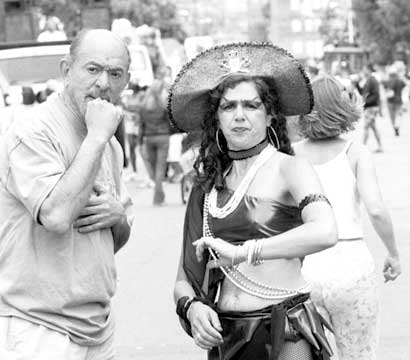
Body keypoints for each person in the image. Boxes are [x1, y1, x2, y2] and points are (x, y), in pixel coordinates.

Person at [171, 43, 338, 360]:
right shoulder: (207, 185)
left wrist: (244, 252)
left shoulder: (291, 168)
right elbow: (184, 278)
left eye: (251, 106)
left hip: (286, 329)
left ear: (270, 114)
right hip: (226, 334)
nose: (239, 116)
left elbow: (326, 230)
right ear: (216, 118)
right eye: (228, 107)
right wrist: (191, 307)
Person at [0, 29, 133, 359]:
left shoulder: (109, 146)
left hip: (97, 325)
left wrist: (118, 217)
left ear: (126, 82)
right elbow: (57, 216)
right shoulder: (34, 130)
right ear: (66, 70)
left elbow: (110, 240)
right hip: (38, 327)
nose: (103, 83)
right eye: (92, 69)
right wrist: (97, 138)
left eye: (114, 73)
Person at [295, 75, 402, 360]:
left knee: (306, 353)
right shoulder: (355, 153)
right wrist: (393, 253)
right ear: (341, 107)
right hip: (351, 265)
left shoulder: (291, 156)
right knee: (358, 354)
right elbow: (376, 209)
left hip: (305, 267)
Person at [139, 74, 171, 205]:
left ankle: (159, 196)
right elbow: (169, 121)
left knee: (154, 168)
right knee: (160, 169)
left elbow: (141, 125)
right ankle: (158, 198)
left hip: (149, 138)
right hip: (163, 137)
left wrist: (140, 142)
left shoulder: (144, 106)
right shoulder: (162, 106)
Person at [356, 64, 383, 152]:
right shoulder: (368, 80)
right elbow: (363, 92)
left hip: (371, 107)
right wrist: (357, 84)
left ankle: (363, 147)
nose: (363, 71)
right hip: (370, 107)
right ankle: (380, 146)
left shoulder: (373, 80)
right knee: (373, 127)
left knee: (366, 127)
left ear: (369, 70)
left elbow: (376, 95)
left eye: (365, 69)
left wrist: (365, 102)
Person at [382, 67, 406, 136]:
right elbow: (404, 85)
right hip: (398, 100)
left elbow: (383, 85)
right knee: (398, 114)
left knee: (392, 116)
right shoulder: (399, 80)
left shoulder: (388, 80)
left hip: (390, 101)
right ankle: (397, 126)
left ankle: (394, 127)